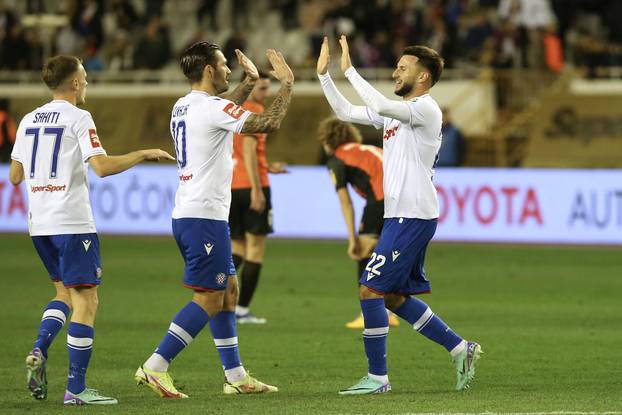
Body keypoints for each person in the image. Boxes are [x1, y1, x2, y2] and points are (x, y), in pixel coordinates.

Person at [317, 36, 482, 395]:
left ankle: (378, 378)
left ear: (422, 76)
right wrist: (325, 77)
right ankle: (460, 348)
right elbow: (347, 113)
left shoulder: (426, 108)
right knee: (392, 298)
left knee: (369, 290)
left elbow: (377, 102)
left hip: (413, 215)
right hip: (400, 216)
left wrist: (350, 71)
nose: (395, 71)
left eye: (402, 67)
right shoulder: (399, 113)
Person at [9, 55, 174, 405]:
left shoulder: (27, 120)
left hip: (40, 224)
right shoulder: (78, 118)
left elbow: (14, 175)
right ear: (74, 83)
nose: (86, 83)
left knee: (64, 294)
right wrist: (143, 153)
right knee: (87, 300)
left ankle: (40, 347)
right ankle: (77, 389)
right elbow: (101, 167)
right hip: (71, 221)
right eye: (84, 78)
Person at [134, 42, 294, 397]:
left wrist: (250, 82)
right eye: (223, 65)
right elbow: (270, 122)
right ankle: (156, 366)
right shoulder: (211, 107)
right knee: (208, 298)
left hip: (196, 213)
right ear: (208, 70)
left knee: (228, 291)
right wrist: (287, 84)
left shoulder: (185, 104)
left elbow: (221, 111)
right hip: (203, 215)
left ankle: (236, 377)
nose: (226, 70)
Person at [317, 117, 399, 329]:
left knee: (364, 251)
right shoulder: (366, 149)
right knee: (386, 255)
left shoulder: (337, 159)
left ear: (328, 141)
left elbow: (346, 202)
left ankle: (370, 313)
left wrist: (353, 238)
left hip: (382, 199)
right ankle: (388, 311)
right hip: (403, 198)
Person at [230, 70, 288, 324]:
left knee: (238, 248)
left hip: (232, 186)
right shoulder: (254, 111)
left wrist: (267, 166)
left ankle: (216, 299)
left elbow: (243, 154)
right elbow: (249, 149)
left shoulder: (233, 111)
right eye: (262, 88)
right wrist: (256, 187)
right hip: (253, 187)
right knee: (255, 250)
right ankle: (241, 310)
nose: (265, 93)